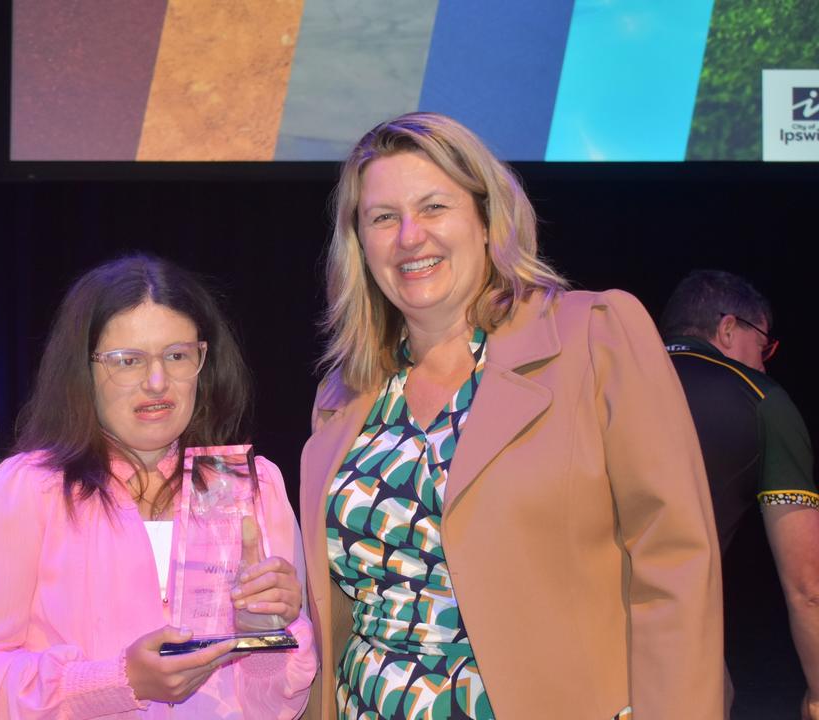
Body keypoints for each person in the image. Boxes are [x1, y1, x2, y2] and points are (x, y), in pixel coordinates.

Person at [298, 112, 723, 719]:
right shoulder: (344, 396)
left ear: (486, 216)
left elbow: (677, 561)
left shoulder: (594, 336)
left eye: (434, 207)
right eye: (383, 218)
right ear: (360, 244)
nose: (410, 237)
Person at [0, 254, 316, 718]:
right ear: (84, 370)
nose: (157, 382)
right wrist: (120, 682)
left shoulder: (253, 487)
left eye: (177, 356)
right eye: (127, 361)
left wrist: (263, 634)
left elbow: (275, 706)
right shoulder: (25, 492)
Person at [661, 269, 819, 719]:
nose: (765, 361)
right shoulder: (760, 398)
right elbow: (808, 585)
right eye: (764, 345)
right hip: (667, 653)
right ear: (729, 328)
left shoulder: (594, 379)